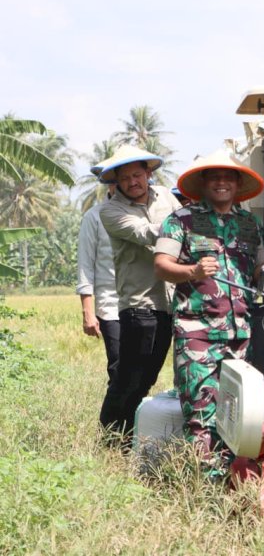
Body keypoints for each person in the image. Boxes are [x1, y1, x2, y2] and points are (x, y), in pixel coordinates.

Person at [153, 149, 264, 470]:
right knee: (202, 413)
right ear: (203, 183)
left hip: (240, 335)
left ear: (237, 183)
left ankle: (232, 478)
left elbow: (256, 273)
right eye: (214, 177)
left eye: (228, 177)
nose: (221, 182)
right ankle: (207, 489)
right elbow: (161, 265)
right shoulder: (180, 220)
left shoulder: (249, 223)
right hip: (196, 333)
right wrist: (193, 272)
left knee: (238, 413)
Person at [98, 145, 182, 442]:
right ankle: (111, 437)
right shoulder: (111, 210)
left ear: (148, 173)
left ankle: (126, 435)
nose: (133, 182)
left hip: (172, 303)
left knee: (148, 377)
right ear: (117, 182)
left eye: (138, 175)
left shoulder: (167, 197)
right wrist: (187, 224)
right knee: (130, 378)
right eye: (125, 178)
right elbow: (146, 233)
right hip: (140, 305)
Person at [77, 179, 120, 387]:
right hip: (111, 306)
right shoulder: (94, 217)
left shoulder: (149, 214)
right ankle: (115, 419)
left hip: (146, 304)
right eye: (117, 180)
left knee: (145, 368)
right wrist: (88, 312)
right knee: (118, 365)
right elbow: (86, 266)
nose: (124, 184)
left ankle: (139, 415)